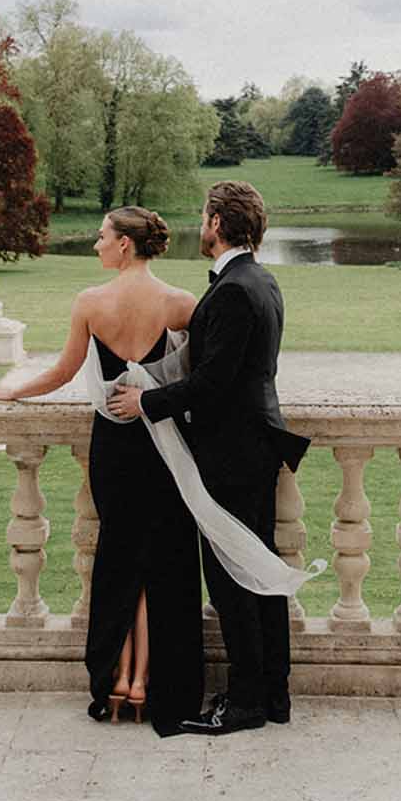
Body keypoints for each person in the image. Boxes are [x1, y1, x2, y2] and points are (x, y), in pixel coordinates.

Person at [0, 206, 203, 735]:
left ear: (125, 244)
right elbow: (201, 378)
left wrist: (13, 390)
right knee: (162, 563)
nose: (96, 245)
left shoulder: (90, 303)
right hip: (164, 445)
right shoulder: (180, 303)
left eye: (103, 237)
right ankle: (149, 680)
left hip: (116, 449)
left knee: (121, 559)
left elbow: (60, 372)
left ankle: (117, 677)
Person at [107, 180, 311, 737]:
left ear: (218, 223)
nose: (200, 225)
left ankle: (246, 703)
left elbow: (212, 384)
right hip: (254, 448)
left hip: (233, 455)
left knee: (232, 580)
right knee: (259, 572)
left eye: (204, 217)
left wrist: (145, 398)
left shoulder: (233, 291)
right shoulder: (261, 282)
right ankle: (273, 694)